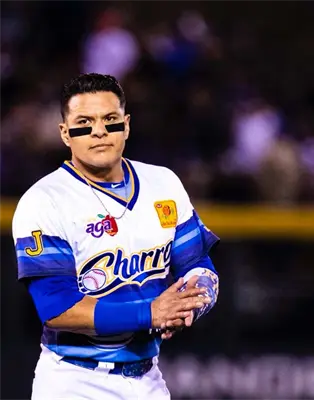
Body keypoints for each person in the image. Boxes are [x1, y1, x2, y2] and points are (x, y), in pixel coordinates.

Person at [12, 73, 220, 399]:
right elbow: (56, 307)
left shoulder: (163, 183)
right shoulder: (44, 200)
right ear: (65, 133)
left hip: (148, 377)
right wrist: (151, 312)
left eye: (110, 120)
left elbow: (197, 264)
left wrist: (190, 305)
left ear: (126, 125)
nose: (99, 131)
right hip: (74, 381)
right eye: (84, 122)